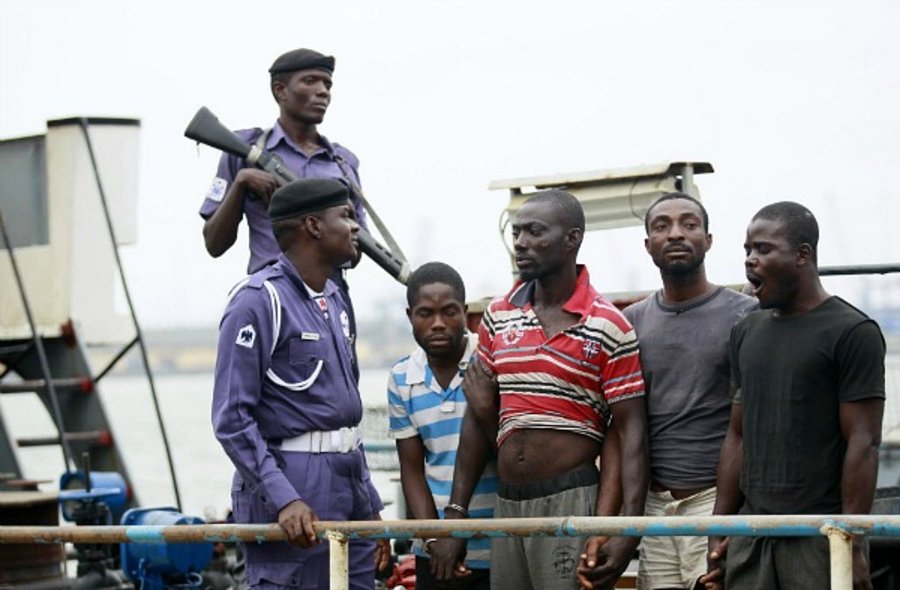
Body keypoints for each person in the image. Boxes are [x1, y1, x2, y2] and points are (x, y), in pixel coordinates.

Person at [432, 190, 650, 590]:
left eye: (535, 232)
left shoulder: (609, 326)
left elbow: (630, 434)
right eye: (517, 232)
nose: (521, 243)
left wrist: (626, 530)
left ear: (572, 239)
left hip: (571, 499)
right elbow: (476, 420)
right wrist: (455, 518)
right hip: (509, 503)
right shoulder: (499, 315)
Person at [211, 178, 388, 589]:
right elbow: (232, 418)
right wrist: (283, 497)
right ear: (313, 225)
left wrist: (370, 505)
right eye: (345, 215)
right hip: (293, 484)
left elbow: (344, 419)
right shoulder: (257, 301)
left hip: (349, 482)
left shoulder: (333, 299)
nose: (356, 226)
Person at [703, 201, 885, 590]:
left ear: (803, 255)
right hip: (753, 533)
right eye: (748, 250)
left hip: (819, 536)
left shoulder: (852, 331)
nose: (751, 261)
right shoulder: (746, 331)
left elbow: (864, 443)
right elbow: (737, 436)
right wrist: (719, 526)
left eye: (764, 249)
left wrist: (851, 545)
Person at [622, 193, 756, 590]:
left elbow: (751, 425)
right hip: (656, 508)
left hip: (716, 502)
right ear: (648, 246)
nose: (676, 234)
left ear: (709, 239)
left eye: (689, 224)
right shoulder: (632, 322)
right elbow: (625, 426)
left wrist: (728, 517)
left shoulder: (744, 316)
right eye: (661, 226)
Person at [388, 261, 498, 589]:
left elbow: (510, 450)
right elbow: (412, 470)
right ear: (410, 316)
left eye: (449, 312)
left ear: (464, 312)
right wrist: (437, 541)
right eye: (425, 313)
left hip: (500, 545)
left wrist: (485, 408)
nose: (438, 324)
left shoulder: (491, 362)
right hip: (435, 554)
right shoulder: (401, 378)